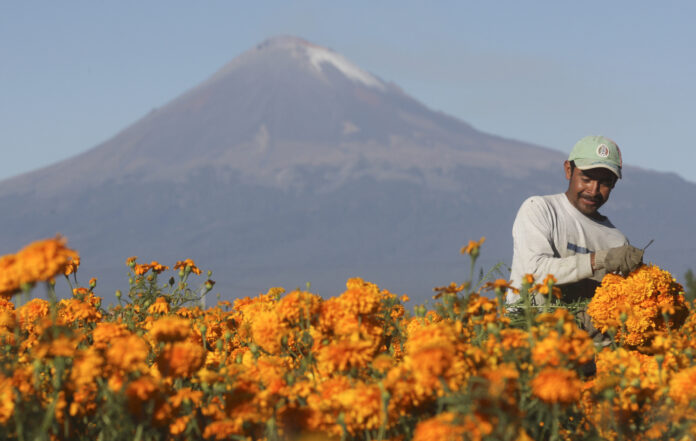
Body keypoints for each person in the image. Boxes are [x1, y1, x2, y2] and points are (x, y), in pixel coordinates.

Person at [506, 135, 644, 316]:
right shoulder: (540, 209)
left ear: (614, 184)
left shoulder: (617, 241)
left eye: (604, 183)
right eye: (586, 178)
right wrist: (600, 259)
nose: (593, 190)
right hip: (528, 332)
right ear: (568, 170)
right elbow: (535, 273)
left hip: (585, 342)